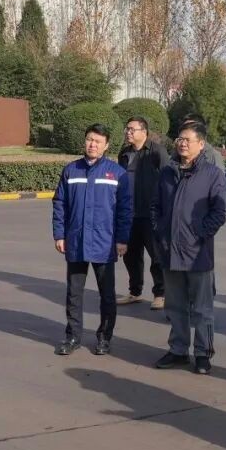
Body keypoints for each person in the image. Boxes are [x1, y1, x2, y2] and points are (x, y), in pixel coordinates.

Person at [151, 122, 226, 375]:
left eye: (187, 140)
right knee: (175, 306)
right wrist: (160, 231)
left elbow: (221, 211)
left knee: (202, 309)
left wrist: (200, 234)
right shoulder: (167, 172)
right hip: (170, 251)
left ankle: (203, 353)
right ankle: (178, 350)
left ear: (201, 144)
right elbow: (155, 206)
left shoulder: (212, 174)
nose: (182, 143)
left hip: (198, 254)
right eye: (179, 139)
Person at [52, 124, 132, 356]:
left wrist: (122, 239)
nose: (92, 144)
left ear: (106, 146)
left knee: (106, 294)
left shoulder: (117, 173)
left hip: (104, 243)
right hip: (76, 241)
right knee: (74, 293)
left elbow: (125, 210)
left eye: (98, 141)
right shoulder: (71, 170)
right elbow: (59, 204)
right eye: (89, 139)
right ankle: (73, 336)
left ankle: (104, 337)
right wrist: (60, 234)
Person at [116, 116, 171, 310]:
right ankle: (135, 292)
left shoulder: (157, 151)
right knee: (131, 256)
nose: (128, 132)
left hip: (151, 214)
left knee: (157, 256)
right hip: (129, 213)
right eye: (127, 129)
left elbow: (168, 180)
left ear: (144, 132)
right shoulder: (124, 153)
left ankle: (161, 294)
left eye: (132, 129)